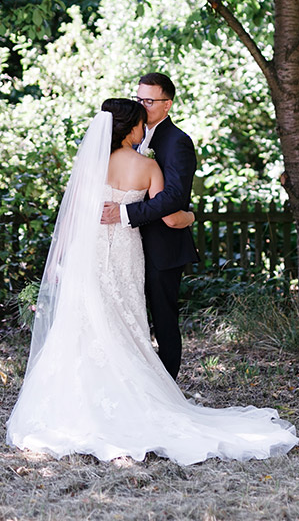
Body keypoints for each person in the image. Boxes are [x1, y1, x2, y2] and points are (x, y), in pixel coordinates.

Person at [6, 99, 297, 465]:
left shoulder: (89, 166)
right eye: (141, 124)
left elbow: (66, 224)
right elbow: (171, 219)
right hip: (125, 255)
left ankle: (76, 406)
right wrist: (191, 216)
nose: (145, 130)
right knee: (125, 323)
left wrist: (58, 267)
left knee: (82, 325)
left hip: (87, 256)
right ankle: (132, 402)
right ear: (131, 129)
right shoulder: (147, 166)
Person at [100, 73, 196, 380]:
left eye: (149, 101)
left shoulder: (177, 142)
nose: (142, 105)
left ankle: (166, 388)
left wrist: (125, 213)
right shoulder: (118, 141)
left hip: (160, 246)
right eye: (139, 98)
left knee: (163, 320)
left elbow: (173, 198)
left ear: (166, 105)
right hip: (118, 247)